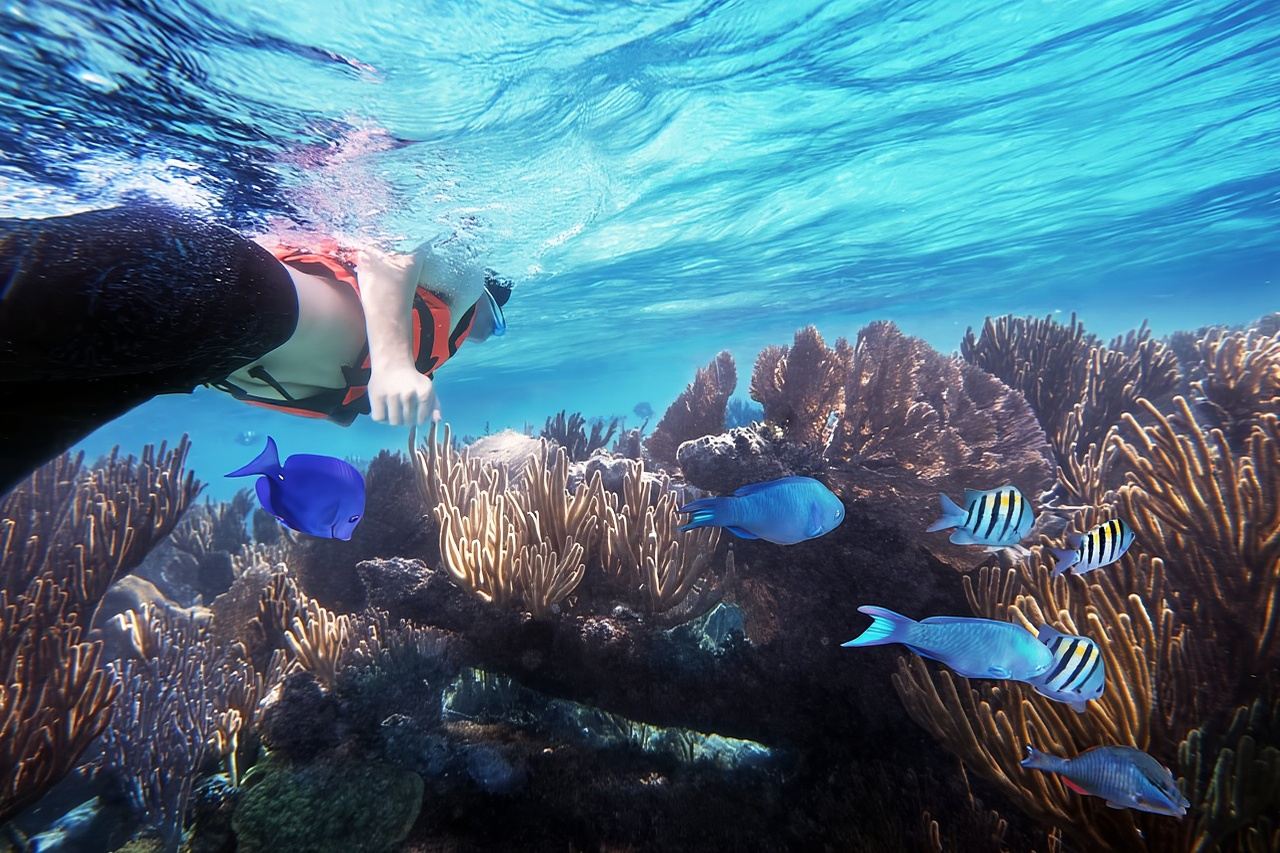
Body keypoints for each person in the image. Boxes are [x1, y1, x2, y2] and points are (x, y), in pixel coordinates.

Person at [0, 200, 510, 495]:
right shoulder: (463, 287)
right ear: (488, 298)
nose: (488, 334)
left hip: (186, 361)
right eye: (498, 321)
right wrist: (394, 364)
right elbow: (393, 245)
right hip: (213, 285)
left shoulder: (437, 342)